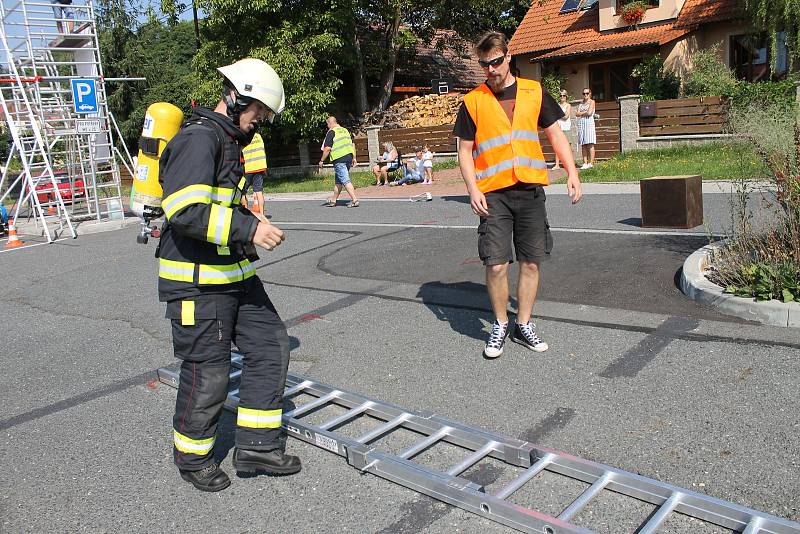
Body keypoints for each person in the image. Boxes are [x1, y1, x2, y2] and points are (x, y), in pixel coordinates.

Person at [157, 58, 301, 493]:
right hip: (198, 282)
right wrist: (250, 228)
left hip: (232, 274)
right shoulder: (199, 140)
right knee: (209, 371)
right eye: (257, 113)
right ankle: (193, 456)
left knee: (270, 345)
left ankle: (256, 446)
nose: (259, 123)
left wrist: (246, 221)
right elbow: (184, 211)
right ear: (238, 96)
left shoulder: (227, 141)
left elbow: (217, 206)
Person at [453, 31, 582, 359]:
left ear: (508, 57)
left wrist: (572, 171)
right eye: (485, 65)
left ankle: (523, 323)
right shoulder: (473, 101)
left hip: (529, 190)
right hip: (493, 194)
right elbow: (464, 152)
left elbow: (555, 133)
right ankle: (499, 323)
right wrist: (472, 189)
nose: (491, 69)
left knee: (531, 262)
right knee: (496, 265)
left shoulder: (534, 91)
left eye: (496, 61)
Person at [319, 116, 359, 207]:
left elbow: (327, 149)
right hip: (348, 157)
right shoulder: (345, 130)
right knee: (338, 182)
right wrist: (354, 158)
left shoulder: (331, 132)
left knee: (345, 180)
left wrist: (322, 160)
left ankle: (354, 200)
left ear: (330, 123)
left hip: (339, 159)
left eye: (327, 124)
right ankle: (333, 200)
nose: (327, 126)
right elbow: (352, 145)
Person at [243, 132, 268, 219]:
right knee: (259, 191)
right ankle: (262, 214)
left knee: (242, 192)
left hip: (248, 168)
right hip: (259, 167)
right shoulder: (258, 136)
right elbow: (262, 151)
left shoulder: (244, 136)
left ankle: (244, 214)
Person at [576, 87, 596, 169]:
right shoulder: (581, 104)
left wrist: (581, 113)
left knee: (590, 143)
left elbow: (589, 113)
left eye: (587, 93)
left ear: (590, 94)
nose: (585, 95)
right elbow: (576, 113)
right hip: (581, 124)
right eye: (584, 93)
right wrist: (583, 113)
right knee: (583, 144)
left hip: (589, 124)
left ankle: (591, 163)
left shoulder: (592, 102)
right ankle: (585, 163)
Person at [553, 90, 572, 170]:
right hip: (558, 128)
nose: (562, 97)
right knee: (557, 146)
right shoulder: (557, 105)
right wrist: (559, 115)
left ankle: (569, 164)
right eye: (561, 95)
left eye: (564, 95)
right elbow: (554, 115)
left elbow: (566, 116)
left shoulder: (568, 105)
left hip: (566, 128)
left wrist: (558, 115)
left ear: (566, 96)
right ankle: (557, 164)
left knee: (568, 146)